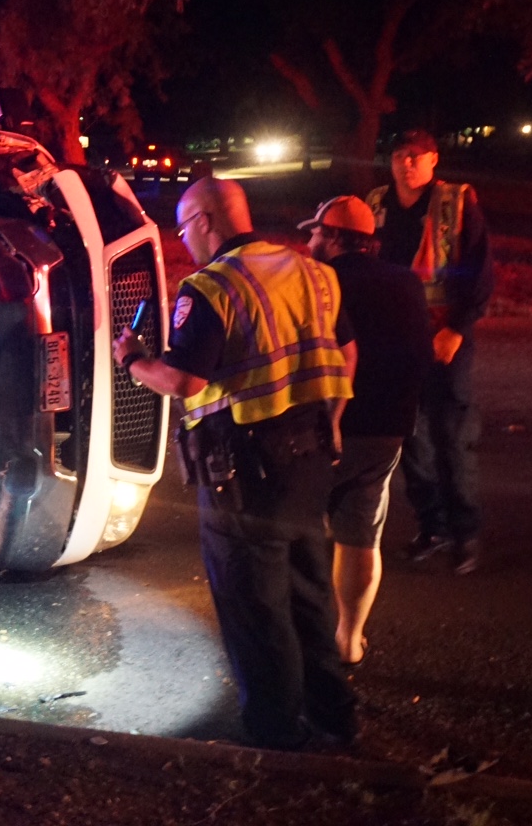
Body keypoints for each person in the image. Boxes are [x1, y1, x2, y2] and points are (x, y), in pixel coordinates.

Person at [114, 177, 360, 750]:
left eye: (182, 227)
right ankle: (335, 716)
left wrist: (133, 360)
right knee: (310, 593)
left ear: (204, 220)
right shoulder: (312, 273)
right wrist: (335, 419)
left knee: (256, 607)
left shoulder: (209, 288)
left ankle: (273, 734)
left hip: (244, 473)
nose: (185, 239)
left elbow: (182, 379)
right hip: (312, 459)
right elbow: (347, 353)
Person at [302, 195, 432, 666]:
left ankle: (305, 638)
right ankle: (350, 638)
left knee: (300, 532)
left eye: (315, 232)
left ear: (334, 237)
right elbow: (423, 353)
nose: (309, 240)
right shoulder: (406, 282)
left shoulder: (318, 282)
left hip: (323, 429)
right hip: (386, 430)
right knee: (360, 537)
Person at [365, 129, 494, 574]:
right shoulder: (376, 204)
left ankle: (465, 535)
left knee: (452, 437)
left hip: (445, 338)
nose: (408, 164)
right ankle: (433, 528)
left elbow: (479, 271)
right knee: (410, 436)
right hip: (395, 340)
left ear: (434, 160)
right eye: (401, 155)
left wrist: (457, 329)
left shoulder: (456, 202)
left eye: (417, 156)